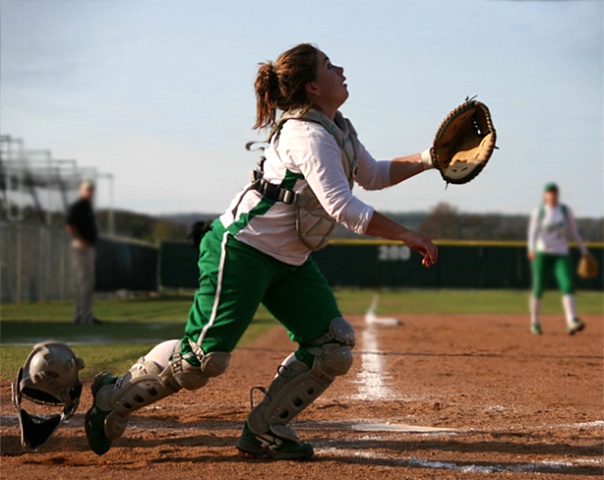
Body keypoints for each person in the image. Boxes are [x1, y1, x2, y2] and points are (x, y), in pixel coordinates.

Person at [84, 43, 438, 460]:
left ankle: (265, 429)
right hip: (242, 250)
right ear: (312, 87)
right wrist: (406, 234)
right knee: (202, 361)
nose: (340, 68)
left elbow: (374, 174)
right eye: (328, 65)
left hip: (290, 260)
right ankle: (111, 396)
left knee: (331, 345)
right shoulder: (307, 134)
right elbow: (341, 206)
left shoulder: (336, 127)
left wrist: (431, 158)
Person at [527, 182, 588, 335]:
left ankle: (571, 320)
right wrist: (531, 249)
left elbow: (574, 232)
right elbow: (533, 232)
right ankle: (534, 322)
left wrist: (584, 251)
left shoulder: (565, 211)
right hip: (543, 253)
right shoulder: (540, 211)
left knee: (567, 284)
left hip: (561, 253)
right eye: (549, 192)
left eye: (554, 192)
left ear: (558, 194)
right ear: (545, 195)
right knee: (538, 287)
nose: (552, 195)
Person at [65, 181, 101, 326]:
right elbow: (70, 224)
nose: (90, 192)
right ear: (82, 191)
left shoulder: (87, 207)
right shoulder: (79, 206)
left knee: (85, 283)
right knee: (85, 282)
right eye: (87, 190)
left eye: (91, 190)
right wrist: (79, 239)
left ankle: (81, 315)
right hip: (82, 246)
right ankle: (84, 317)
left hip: (87, 246)